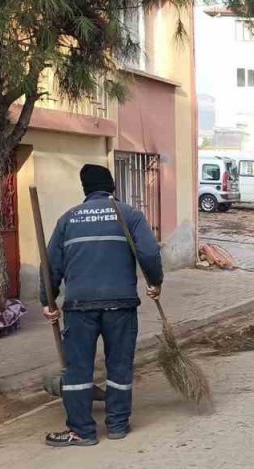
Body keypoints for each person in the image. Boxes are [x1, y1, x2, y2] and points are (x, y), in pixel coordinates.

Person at [40, 164, 163, 447]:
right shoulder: (129, 215)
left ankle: (82, 431)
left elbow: (51, 267)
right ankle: (118, 425)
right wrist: (155, 282)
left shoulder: (68, 220)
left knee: (78, 369)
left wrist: (48, 301)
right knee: (119, 366)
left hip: (79, 306)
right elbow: (149, 253)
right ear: (113, 187)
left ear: (84, 190)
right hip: (120, 306)